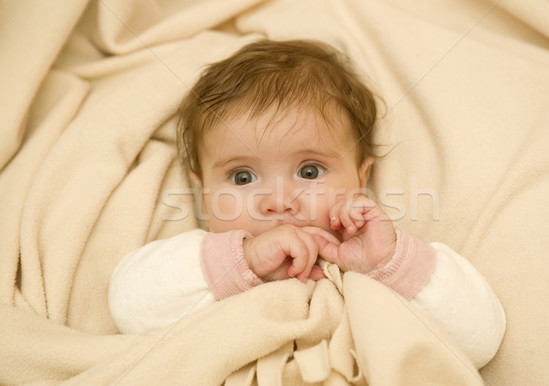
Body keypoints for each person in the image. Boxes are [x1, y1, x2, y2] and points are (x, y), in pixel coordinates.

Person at [108, 39, 505, 368]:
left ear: (361, 178)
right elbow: (128, 307)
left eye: (310, 172)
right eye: (242, 177)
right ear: (202, 192)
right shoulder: (198, 266)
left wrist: (390, 264)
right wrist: (241, 261)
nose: (279, 201)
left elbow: (479, 341)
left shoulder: (380, 263)